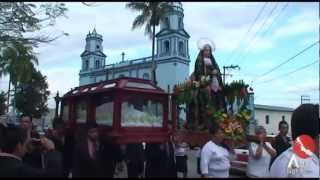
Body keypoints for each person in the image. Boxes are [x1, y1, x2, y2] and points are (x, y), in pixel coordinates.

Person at [270, 104, 319, 178]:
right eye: (283, 128)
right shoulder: (308, 169)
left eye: (286, 128)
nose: (285, 130)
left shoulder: (288, 144)